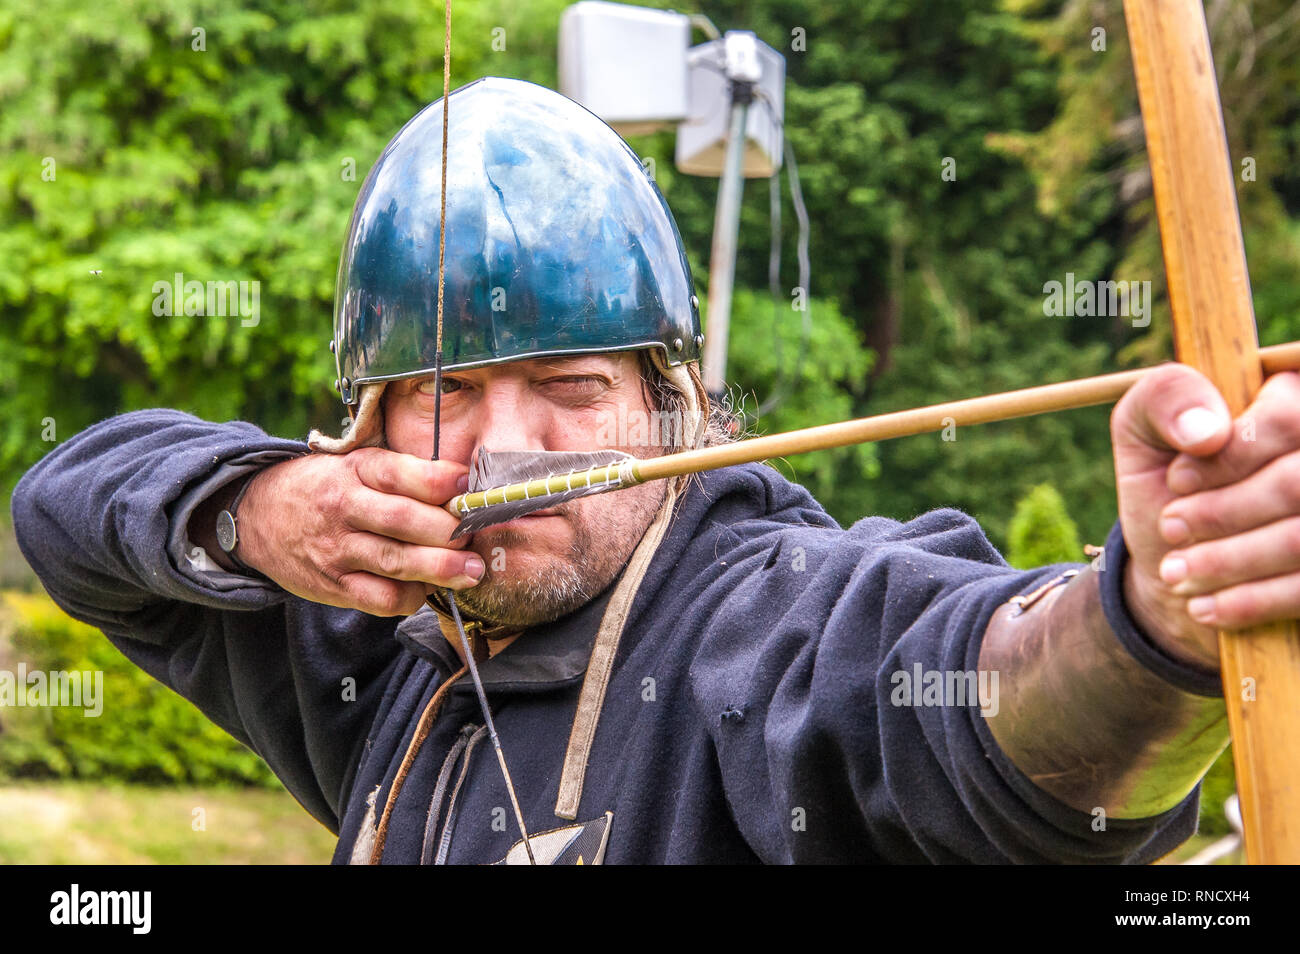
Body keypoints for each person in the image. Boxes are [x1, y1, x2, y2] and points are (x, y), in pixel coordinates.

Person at [11, 78, 1295, 864]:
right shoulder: (374, 644)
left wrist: (1153, 623)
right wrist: (251, 510)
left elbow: (984, 721)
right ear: (370, 437)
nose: (510, 447)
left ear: (674, 411)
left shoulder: (765, 619)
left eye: (574, 392)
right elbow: (66, 512)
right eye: (447, 395)